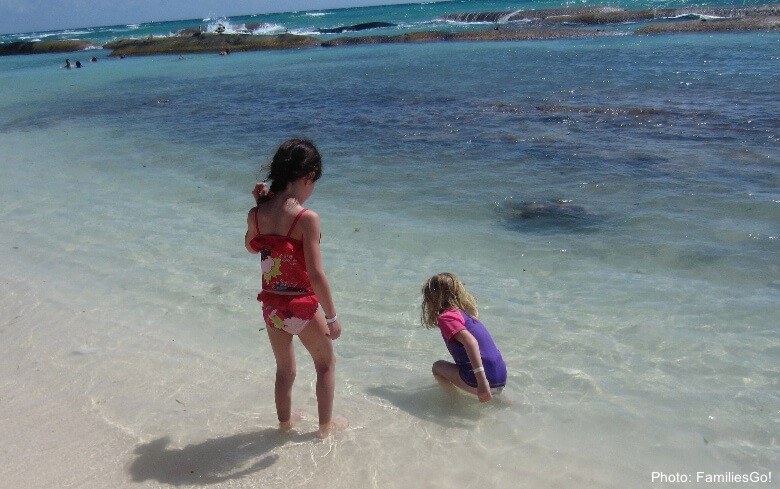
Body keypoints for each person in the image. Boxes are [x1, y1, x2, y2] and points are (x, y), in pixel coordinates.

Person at [245, 139, 343, 438]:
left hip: (271, 307)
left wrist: (263, 205)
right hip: (301, 305)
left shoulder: (256, 213)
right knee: (326, 365)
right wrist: (331, 316)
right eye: (313, 183)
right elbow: (315, 274)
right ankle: (325, 429)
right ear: (306, 178)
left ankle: (284, 425)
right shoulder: (306, 218)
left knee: (285, 370)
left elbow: (251, 247)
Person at [421, 273, 507, 402]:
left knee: (437, 367)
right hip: (501, 377)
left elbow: (471, 342)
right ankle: (503, 399)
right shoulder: (466, 314)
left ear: (433, 298)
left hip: (482, 382)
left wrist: (482, 382)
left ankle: (453, 402)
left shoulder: (446, 317)